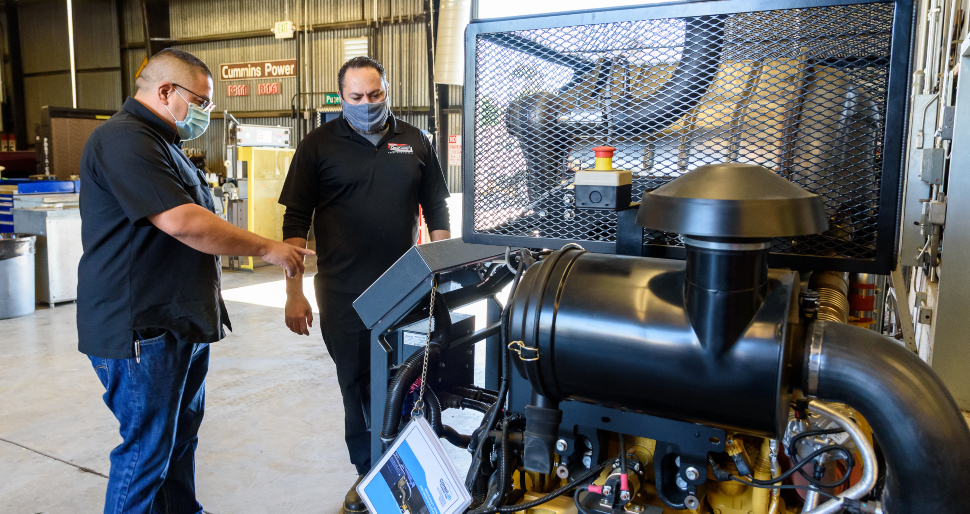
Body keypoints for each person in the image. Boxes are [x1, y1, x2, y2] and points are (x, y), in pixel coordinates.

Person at [78, 48, 314, 514]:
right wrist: (268, 248)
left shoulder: (163, 143)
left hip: (178, 322)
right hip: (142, 329)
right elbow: (183, 221)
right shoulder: (124, 139)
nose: (206, 113)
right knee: (146, 452)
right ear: (166, 91)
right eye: (202, 102)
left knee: (179, 440)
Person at [278, 56, 451, 512]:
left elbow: (437, 209)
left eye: (376, 95)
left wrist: (442, 269)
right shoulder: (317, 146)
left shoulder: (415, 141)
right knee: (356, 386)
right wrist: (293, 293)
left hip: (409, 289)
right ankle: (367, 474)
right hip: (343, 295)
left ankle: (411, 468)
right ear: (341, 98)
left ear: (387, 91)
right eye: (357, 97)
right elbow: (295, 220)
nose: (368, 104)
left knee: (413, 381)